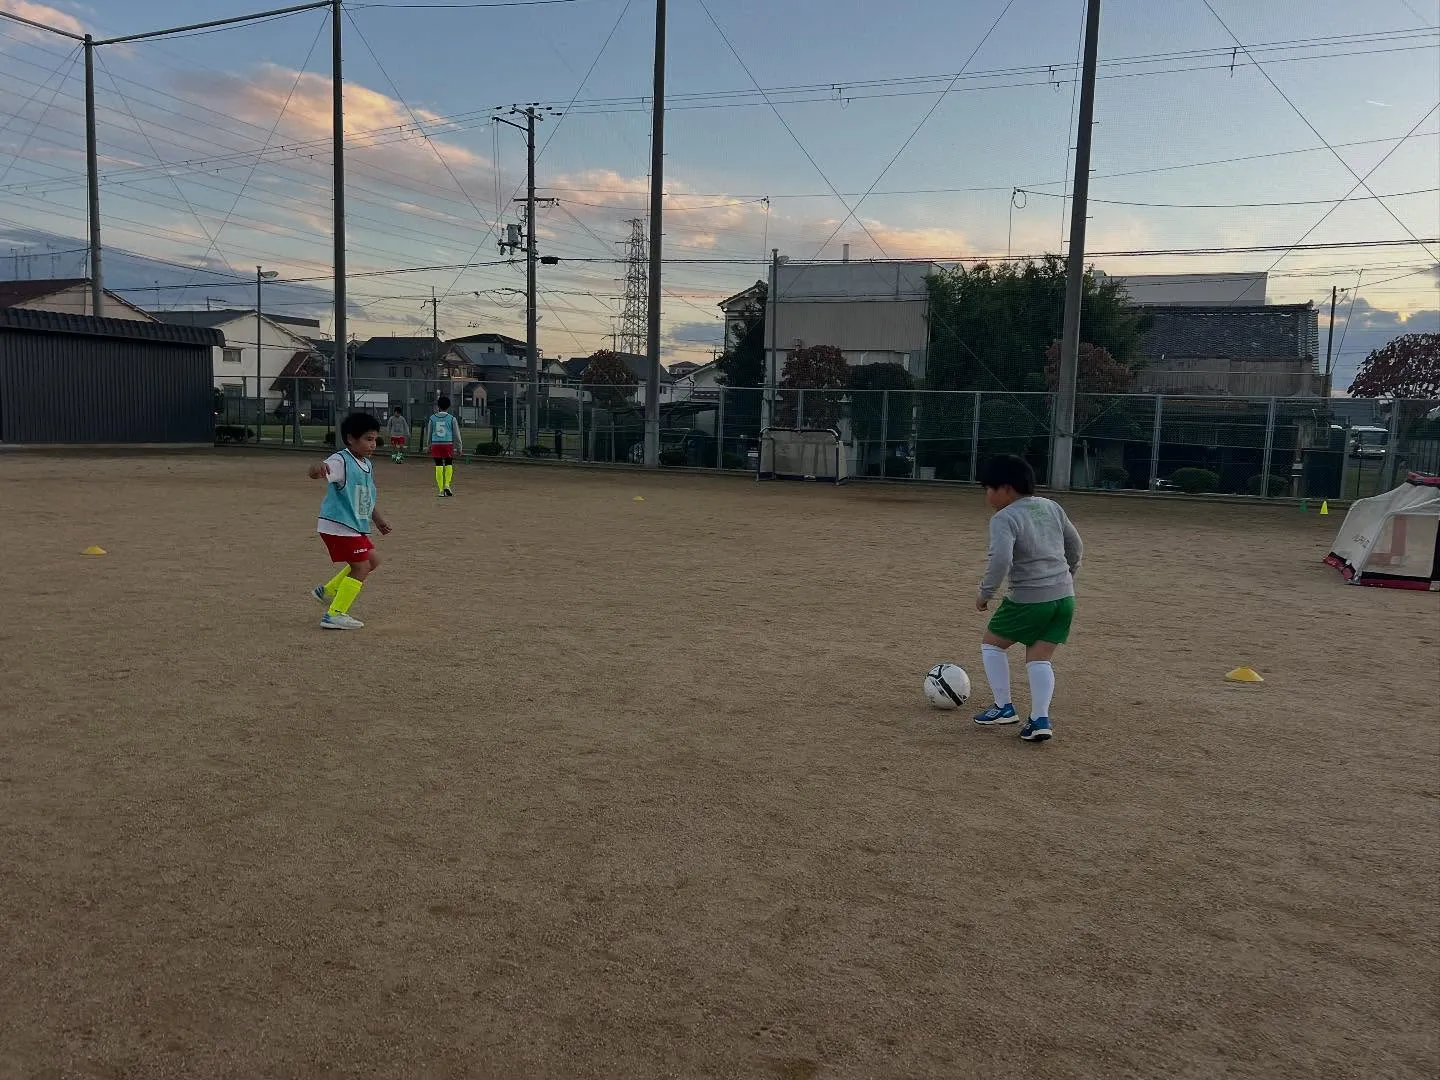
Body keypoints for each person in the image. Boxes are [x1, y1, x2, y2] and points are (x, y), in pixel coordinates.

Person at [972, 454, 1082, 743]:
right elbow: (1075, 545)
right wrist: (1068, 574)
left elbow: (1000, 560)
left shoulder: (1004, 518)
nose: (987, 495)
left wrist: (985, 593)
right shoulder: (1051, 507)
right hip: (1064, 598)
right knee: (1040, 658)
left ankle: (1003, 707)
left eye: (989, 488)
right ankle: (1039, 719)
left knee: (991, 645)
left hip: (1030, 599)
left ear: (1006, 488)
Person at [308, 412, 392, 630]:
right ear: (350, 439)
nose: (373, 444)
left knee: (373, 561)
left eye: (374, 439)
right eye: (367, 439)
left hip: (353, 526)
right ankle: (335, 614)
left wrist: (379, 520)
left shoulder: (366, 464)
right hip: (339, 526)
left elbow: (366, 497)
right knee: (362, 567)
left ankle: (327, 591)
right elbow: (318, 471)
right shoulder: (341, 461)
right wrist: (317, 468)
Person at [425, 395, 463, 497]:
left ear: (438, 406)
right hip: (448, 443)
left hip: (436, 444)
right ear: (449, 406)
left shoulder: (432, 418)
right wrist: (459, 447)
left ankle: (441, 490)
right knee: (448, 463)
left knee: (438, 465)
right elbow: (457, 434)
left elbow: (429, 433)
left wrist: (428, 445)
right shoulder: (452, 419)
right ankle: (447, 484)